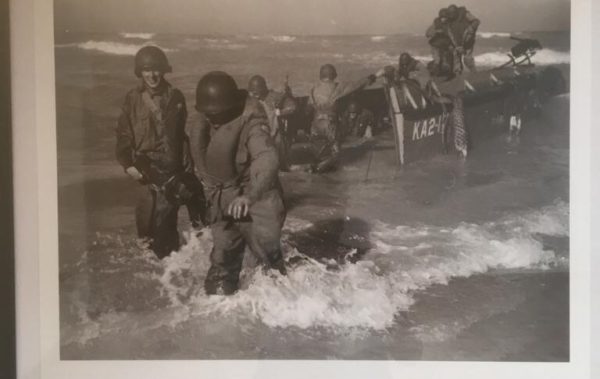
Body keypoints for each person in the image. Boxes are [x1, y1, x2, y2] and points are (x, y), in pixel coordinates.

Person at [189, 71, 286, 295]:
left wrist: (249, 197)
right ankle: (221, 315)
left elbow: (267, 158)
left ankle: (280, 317)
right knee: (222, 265)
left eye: (218, 114)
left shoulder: (252, 121)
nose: (212, 118)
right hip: (224, 202)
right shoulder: (205, 119)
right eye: (209, 114)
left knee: (270, 265)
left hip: (255, 199)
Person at [115, 46, 206, 259]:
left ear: (164, 70)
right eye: (147, 70)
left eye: (156, 69)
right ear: (140, 71)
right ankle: (156, 274)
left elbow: (179, 135)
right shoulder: (132, 99)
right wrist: (128, 165)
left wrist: (190, 166)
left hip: (172, 169)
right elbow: (123, 135)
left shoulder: (175, 97)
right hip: (146, 170)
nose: (152, 75)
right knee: (147, 230)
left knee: (170, 227)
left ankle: (176, 271)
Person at [307, 64, 383, 173]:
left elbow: (308, 108)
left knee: (319, 152)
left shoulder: (313, 89)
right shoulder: (338, 87)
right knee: (336, 154)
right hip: (330, 124)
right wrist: (375, 75)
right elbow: (358, 85)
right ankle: (318, 168)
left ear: (321, 75)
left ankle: (314, 167)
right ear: (333, 75)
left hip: (315, 125)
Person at [247, 75, 297, 171]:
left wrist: (281, 112)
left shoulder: (275, 97)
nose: (255, 95)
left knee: (279, 162)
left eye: (257, 93)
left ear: (263, 89)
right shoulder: (252, 100)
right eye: (253, 93)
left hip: (275, 133)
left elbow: (293, 106)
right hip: (261, 132)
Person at [444, 4, 480, 73]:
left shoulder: (465, 14)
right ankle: (458, 77)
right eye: (450, 14)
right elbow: (448, 34)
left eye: (453, 13)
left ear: (456, 12)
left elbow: (476, 21)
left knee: (468, 60)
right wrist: (453, 45)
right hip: (456, 43)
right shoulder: (448, 21)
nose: (451, 15)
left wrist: (471, 28)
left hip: (468, 41)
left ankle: (475, 74)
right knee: (456, 63)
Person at [426, 8, 453, 75]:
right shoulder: (436, 24)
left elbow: (452, 35)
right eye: (442, 17)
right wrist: (436, 32)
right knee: (437, 60)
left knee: (446, 61)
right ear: (440, 17)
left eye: (445, 17)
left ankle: (447, 73)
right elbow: (427, 33)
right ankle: (434, 73)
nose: (444, 19)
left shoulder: (449, 24)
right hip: (435, 45)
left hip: (445, 45)